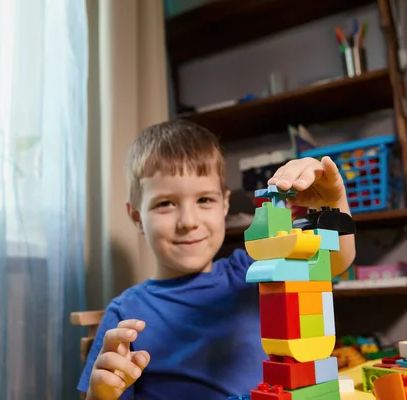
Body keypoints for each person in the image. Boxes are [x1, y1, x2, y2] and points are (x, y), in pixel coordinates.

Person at [78, 119, 356, 400]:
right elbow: (100, 391)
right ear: (137, 217)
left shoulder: (254, 268)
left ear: (225, 204)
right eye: (165, 204)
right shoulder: (125, 313)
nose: (188, 221)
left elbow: (335, 261)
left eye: (204, 200)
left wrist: (332, 205)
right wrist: (101, 394)